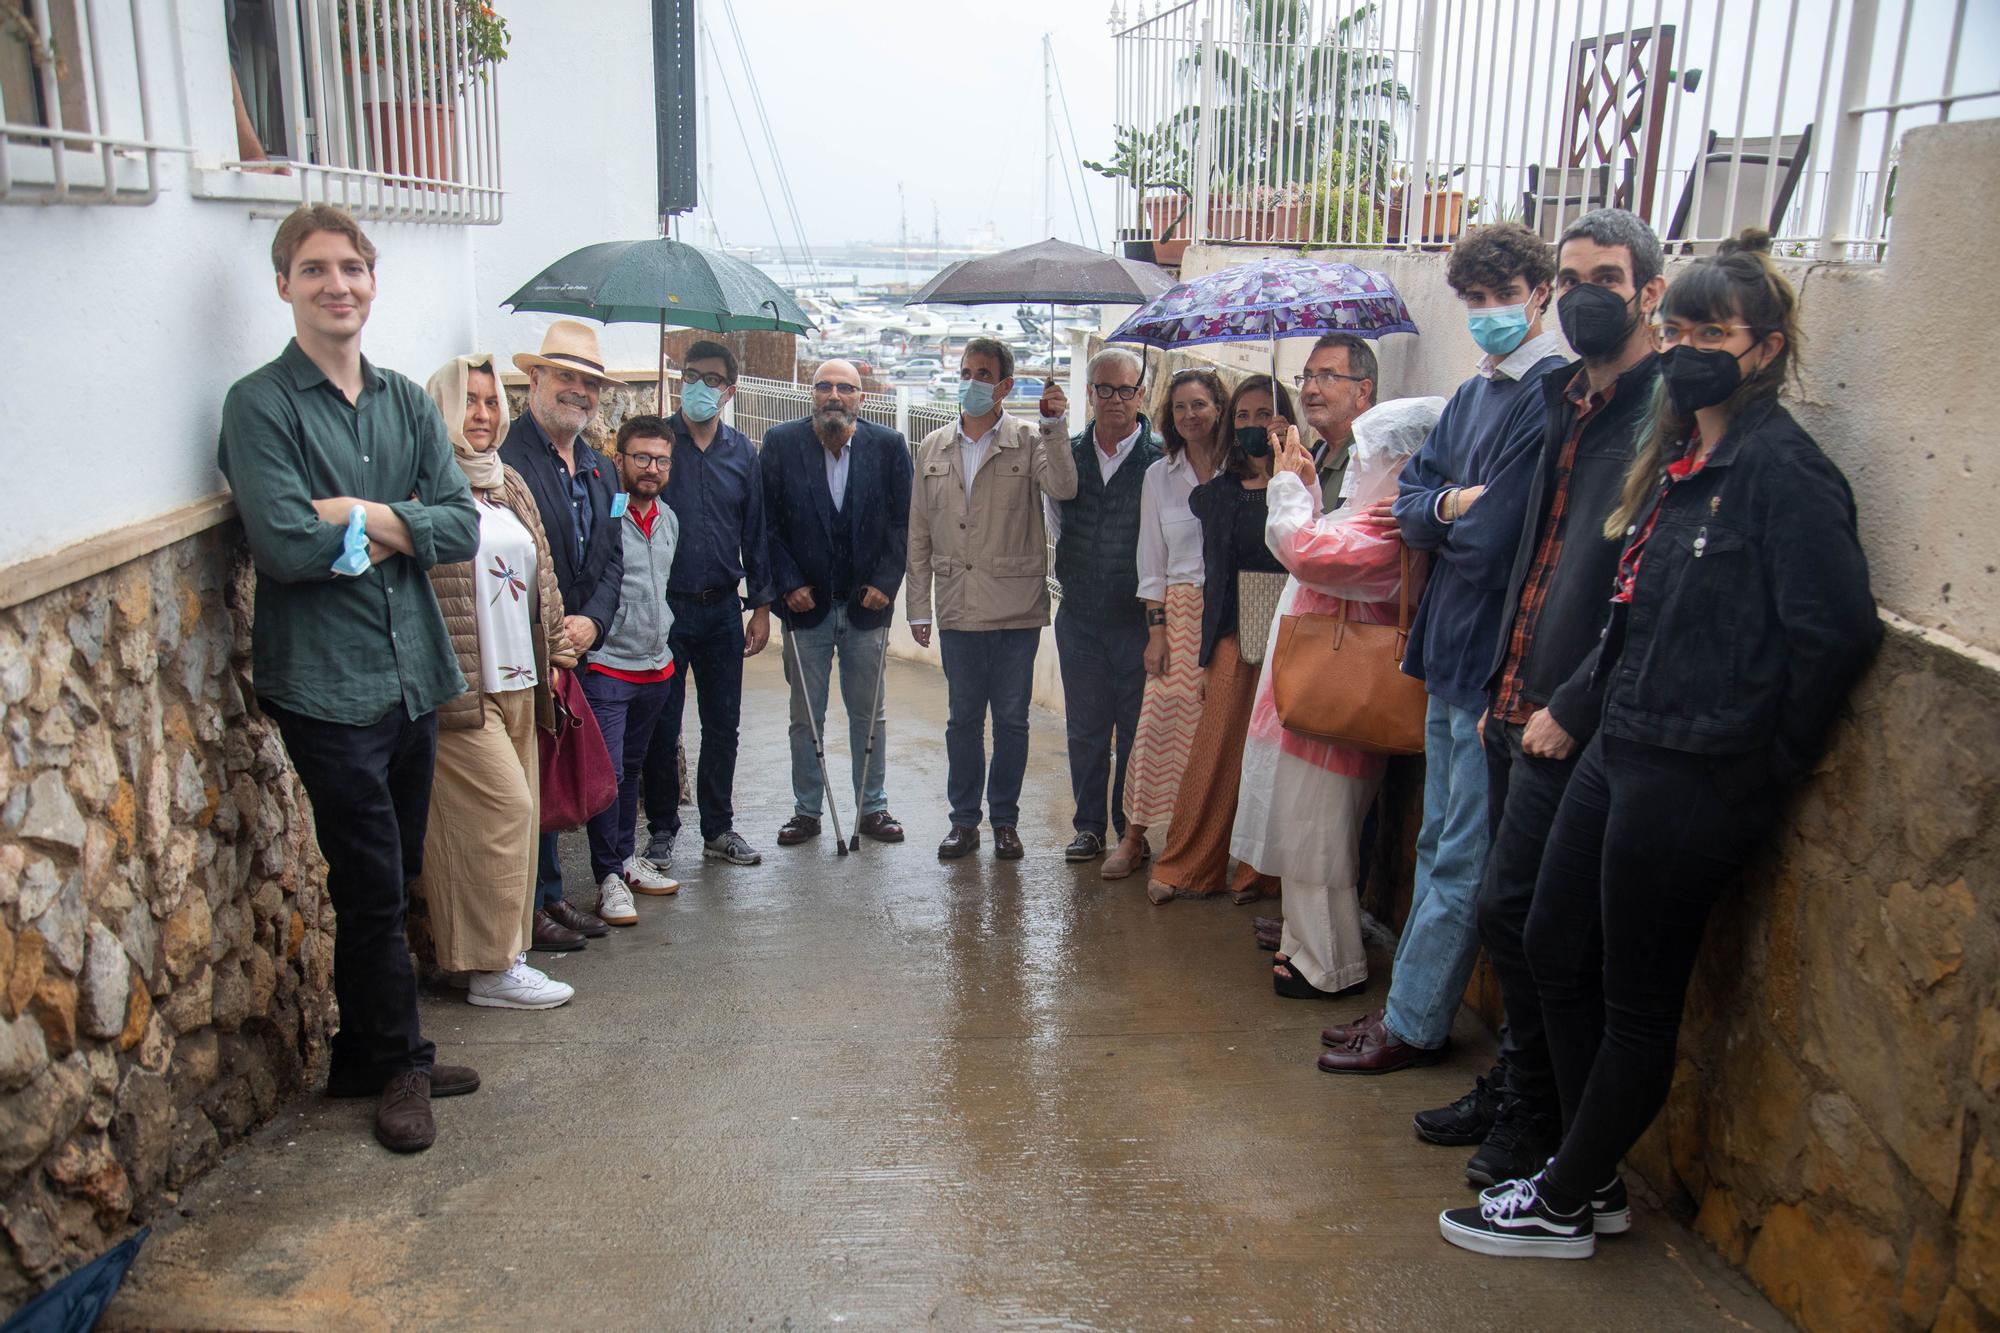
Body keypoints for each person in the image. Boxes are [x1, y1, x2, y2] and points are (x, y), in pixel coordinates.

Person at [1441, 230, 1879, 1259]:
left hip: (1692, 772)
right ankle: (1581, 1175)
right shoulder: (1679, 455)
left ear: (1762, 348)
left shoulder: (1780, 471)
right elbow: (1631, 615)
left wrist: (1763, 767)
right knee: (1547, 940)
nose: (1685, 345)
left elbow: (1835, 634)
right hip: (1621, 745)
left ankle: (1566, 1197)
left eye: (1708, 329)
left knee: (1635, 998)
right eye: (1675, 325)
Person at [218, 205, 480, 1153]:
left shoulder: (409, 401)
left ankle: (365, 1054)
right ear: (284, 283)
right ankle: (398, 1063)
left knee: (394, 870)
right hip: (328, 685)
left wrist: (362, 513)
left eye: (353, 268)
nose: (339, 285)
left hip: (413, 675)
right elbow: (286, 544)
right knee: (370, 880)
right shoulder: (261, 405)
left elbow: (461, 526)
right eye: (316, 268)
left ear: (373, 282)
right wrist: (399, 525)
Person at [1450, 208, 1668, 1190]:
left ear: (1645, 293)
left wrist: (1576, 699)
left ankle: (1541, 1112)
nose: (1583, 294)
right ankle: (1517, 1088)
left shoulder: (1657, 415)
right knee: (1511, 916)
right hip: (1512, 683)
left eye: (1604, 278)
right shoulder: (1561, 399)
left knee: (1525, 917)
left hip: (1567, 710)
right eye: (1570, 275)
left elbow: (1638, 587)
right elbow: (1516, 535)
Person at [1319, 224, 1568, 1077]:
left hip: (1496, 652)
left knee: (1461, 849)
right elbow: (1411, 504)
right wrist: (1450, 504)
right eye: (1475, 299)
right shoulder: (1474, 394)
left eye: (1505, 295)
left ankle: (1415, 1022)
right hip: (1450, 646)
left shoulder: (1548, 397)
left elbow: (1496, 530)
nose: (1489, 313)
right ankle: (1404, 1007)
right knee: (1435, 841)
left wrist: (1446, 508)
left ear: (1542, 293)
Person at [1234, 398, 1442, 1001]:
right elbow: (1320, 539)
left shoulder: (1392, 527)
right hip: (1312, 699)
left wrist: (1285, 487)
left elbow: (1310, 552)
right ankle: (1305, 948)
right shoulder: (1376, 514)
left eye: (1370, 453)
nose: (1357, 463)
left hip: (1336, 706)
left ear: (1404, 459)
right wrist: (1301, 488)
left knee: (1318, 838)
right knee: (1303, 834)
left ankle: (1330, 964)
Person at [415, 355, 579, 1012]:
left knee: (506, 820)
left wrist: (560, 644)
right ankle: (491, 967)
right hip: (463, 685)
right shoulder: (424, 484)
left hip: (520, 680)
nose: (481, 415)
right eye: (468, 401)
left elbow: (542, 571)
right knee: (499, 816)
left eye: (489, 402)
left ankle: (490, 957)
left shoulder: (506, 482)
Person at [907, 336, 1078, 860]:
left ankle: (1005, 820)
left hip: (1014, 609)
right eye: (966, 371)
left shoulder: (1030, 440)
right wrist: (918, 605)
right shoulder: (933, 446)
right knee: (962, 721)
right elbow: (919, 533)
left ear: (1005, 386)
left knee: (1011, 720)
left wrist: (1054, 424)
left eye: (984, 374)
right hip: (957, 607)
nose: (972, 382)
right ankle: (964, 821)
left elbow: (1065, 489)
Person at [497, 320, 628, 950]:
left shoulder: (604, 471)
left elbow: (612, 559)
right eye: (567, 377)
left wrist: (593, 621)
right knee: (527, 779)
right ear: (535, 380)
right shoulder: (505, 461)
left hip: (577, 644)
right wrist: (553, 632)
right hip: (527, 646)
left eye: (590, 383)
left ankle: (552, 894)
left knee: (556, 771)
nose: (579, 391)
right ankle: (534, 902)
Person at [1144, 374, 1295, 905]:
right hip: (1238, 625)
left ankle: (1261, 874)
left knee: (1278, 756)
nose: (1255, 425)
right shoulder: (1219, 494)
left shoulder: (1301, 479)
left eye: (1265, 415)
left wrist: (1285, 466)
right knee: (1216, 749)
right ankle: (1188, 864)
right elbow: (1214, 565)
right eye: (1246, 417)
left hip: (1295, 627)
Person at [761, 359, 914, 846]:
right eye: (824, 386)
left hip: (868, 607)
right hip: (805, 608)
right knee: (806, 714)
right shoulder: (782, 443)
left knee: (870, 713)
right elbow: (768, 523)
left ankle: (873, 808)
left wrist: (886, 582)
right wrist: (788, 584)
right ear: (811, 394)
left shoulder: (888, 446)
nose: (833, 395)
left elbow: (903, 523)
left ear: (860, 398)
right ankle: (807, 810)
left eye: (844, 388)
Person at [639, 341, 775, 870]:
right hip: (662, 610)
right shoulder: (654, 445)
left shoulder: (743, 453)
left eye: (712, 379)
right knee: (662, 723)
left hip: (722, 609)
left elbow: (756, 534)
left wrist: (760, 607)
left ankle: (718, 828)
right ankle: (662, 830)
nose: (699, 386)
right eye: (691, 375)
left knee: (722, 725)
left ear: (729, 390)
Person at [1110, 368, 1228, 881]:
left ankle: (1197, 848)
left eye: (1199, 404)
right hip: (1177, 613)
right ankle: (1134, 837)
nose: (1189, 416)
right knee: (1157, 724)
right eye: (1179, 408)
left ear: (1218, 408)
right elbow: (1150, 558)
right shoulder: (1160, 475)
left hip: (1229, 611)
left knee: (1214, 733)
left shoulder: (1242, 469)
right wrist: (1156, 631)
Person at [1049, 348, 1163, 865]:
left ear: (1142, 394)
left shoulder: (1163, 459)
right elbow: (1055, 524)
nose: (1116, 399)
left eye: (1126, 389)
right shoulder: (1067, 454)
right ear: (1089, 393)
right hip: (1080, 619)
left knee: (1136, 732)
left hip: (1137, 622)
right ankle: (1089, 827)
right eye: (1104, 389)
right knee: (1086, 730)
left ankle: (1128, 833)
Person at [582, 417, 685, 927]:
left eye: (662, 459)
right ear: (618, 457)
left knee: (632, 771)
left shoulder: (668, 518)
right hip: (607, 666)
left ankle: (624, 859)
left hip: (655, 665)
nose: (652, 469)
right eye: (641, 457)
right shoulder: (603, 514)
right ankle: (607, 877)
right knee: (609, 774)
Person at [1297, 332, 1379, 505]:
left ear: (1362, 392)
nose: (1310, 389)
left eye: (1328, 377)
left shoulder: (1374, 461)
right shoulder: (1318, 455)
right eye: (1307, 377)